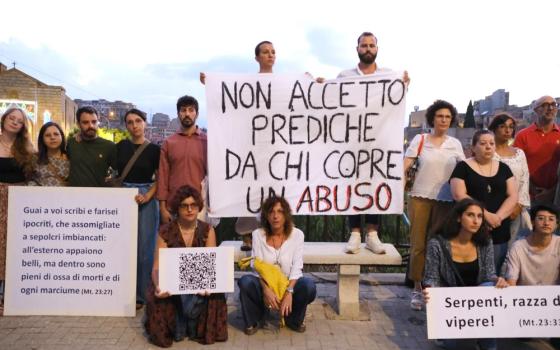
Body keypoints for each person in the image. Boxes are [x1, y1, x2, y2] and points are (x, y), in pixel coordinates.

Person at [338, 31, 410, 254]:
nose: (367, 48)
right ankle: (355, 233)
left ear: (377, 49)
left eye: (371, 45)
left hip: (379, 142)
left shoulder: (389, 75)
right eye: (363, 45)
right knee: (352, 184)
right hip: (352, 141)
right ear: (357, 48)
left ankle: (372, 234)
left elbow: (395, 101)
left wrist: (403, 84)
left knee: (377, 183)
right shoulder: (344, 75)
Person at [144, 185, 227, 347]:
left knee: (214, 292)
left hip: (198, 286)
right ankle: (187, 324)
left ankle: (183, 324)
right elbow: (156, 267)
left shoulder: (208, 231)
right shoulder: (165, 231)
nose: (190, 209)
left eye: (193, 205)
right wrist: (158, 285)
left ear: (198, 207)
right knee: (158, 294)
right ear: (177, 208)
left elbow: (210, 265)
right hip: (173, 286)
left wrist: (208, 285)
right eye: (184, 206)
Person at [403, 100, 464, 311]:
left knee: (439, 245)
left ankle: (435, 287)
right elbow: (405, 168)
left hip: (447, 201)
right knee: (418, 244)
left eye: (447, 117)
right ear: (432, 119)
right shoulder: (420, 140)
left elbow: (463, 170)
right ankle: (417, 288)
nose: (444, 120)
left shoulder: (455, 144)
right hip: (420, 197)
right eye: (440, 116)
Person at [423, 198, 501, 350]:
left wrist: (498, 280)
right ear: (459, 217)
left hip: (477, 304)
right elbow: (431, 278)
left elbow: (489, 274)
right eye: (470, 215)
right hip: (452, 304)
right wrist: (429, 291)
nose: (476, 221)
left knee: (489, 288)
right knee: (458, 345)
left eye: (479, 216)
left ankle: (489, 347)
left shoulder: (485, 242)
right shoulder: (437, 243)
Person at [237, 196, 316, 335]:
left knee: (308, 285)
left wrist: (289, 292)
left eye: (280, 211)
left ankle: (293, 319)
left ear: (286, 215)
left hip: (287, 285)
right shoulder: (257, 235)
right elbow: (256, 267)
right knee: (245, 282)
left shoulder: (297, 235)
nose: (275, 216)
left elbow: (297, 267)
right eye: (271, 212)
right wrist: (266, 289)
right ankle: (255, 319)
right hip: (266, 285)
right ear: (266, 216)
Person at [450, 130, 517, 274]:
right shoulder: (462, 167)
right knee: (470, 271)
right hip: (471, 228)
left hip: (499, 227)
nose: (488, 147)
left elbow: (513, 196)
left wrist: (497, 217)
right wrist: (485, 216)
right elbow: (458, 194)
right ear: (473, 147)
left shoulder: (504, 168)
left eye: (491, 144)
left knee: (494, 271)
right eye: (483, 143)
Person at [116, 108, 160, 309]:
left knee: (145, 249)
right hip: (123, 197)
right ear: (126, 126)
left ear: (145, 123)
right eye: (130, 122)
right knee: (122, 246)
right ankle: (123, 291)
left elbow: (160, 179)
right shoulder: (120, 147)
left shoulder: (154, 149)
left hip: (146, 197)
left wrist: (147, 196)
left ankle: (142, 295)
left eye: (138, 121)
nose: (134, 125)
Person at [501, 203, 560, 349]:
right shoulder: (518, 247)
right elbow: (511, 282)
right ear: (532, 222)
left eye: (551, 219)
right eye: (541, 218)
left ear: (557, 224)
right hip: (526, 303)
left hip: (554, 303)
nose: (546, 222)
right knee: (523, 336)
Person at [0, 107, 33, 315]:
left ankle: (9, 294)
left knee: (13, 246)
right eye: (11, 118)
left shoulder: (26, 149)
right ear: (4, 119)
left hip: (18, 200)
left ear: (22, 127)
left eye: (19, 121)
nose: (14, 122)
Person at [157, 95, 207, 224]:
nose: (187, 114)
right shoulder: (169, 143)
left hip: (200, 207)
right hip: (173, 207)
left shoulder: (207, 142)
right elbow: (163, 178)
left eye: (191, 110)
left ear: (197, 114)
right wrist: (163, 209)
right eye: (183, 110)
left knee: (200, 244)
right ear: (178, 114)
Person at [488, 113, 531, 243]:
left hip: (515, 207)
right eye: (503, 126)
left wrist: (520, 205)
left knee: (511, 247)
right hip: (492, 207)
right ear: (494, 128)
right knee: (490, 246)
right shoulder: (488, 151)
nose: (507, 130)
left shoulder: (519, 153)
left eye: (511, 127)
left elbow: (525, 179)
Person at [513, 96, 560, 204]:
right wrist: (533, 189)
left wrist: (551, 192)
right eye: (545, 105)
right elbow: (516, 167)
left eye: (554, 104)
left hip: (556, 197)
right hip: (528, 197)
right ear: (535, 110)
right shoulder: (522, 136)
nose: (550, 108)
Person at [66, 106, 117, 187]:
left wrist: (110, 185)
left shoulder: (109, 146)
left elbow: (119, 171)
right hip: (73, 196)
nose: (91, 126)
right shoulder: (71, 143)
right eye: (85, 122)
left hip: (98, 197)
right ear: (78, 124)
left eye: (94, 122)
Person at [29, 122, 69, 186]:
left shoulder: (70, 158)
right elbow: (29, 179)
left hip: (64, 195)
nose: (52, 137)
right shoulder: (35, 158)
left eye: (56, 134)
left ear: (61, 136)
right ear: (42, 139)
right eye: (47, 135)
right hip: (39, 194)